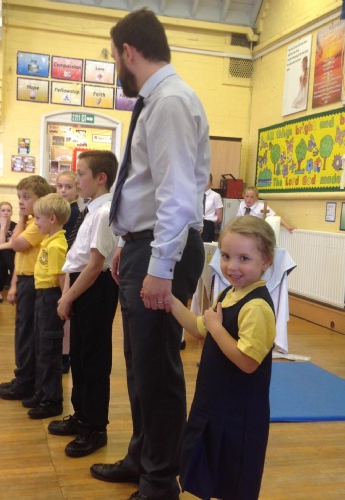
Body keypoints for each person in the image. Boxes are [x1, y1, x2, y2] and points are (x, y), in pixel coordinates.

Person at [89, 9, 210, 500]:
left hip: (165, 250)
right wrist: (127, 244)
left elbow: (177, 196)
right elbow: (145, 188)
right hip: (146, 246)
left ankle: (160, 482)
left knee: (157, 371)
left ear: (129, 52)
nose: (115, 65)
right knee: (140, 365)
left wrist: (159, 267)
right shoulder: (156, 100)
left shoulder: (171, 101)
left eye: (113, 56)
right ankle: (142, 458)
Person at [170, 216, 276, 499]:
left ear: (265, 261)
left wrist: (216, 328)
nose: (232, 266)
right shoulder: (230, 293)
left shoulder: (256, 307)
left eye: (244, 258)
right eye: (226, 256)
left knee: (235, 480)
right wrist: (171, 302)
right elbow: (199, 329)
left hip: (239, 414)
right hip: (215, 405)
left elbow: (247, 362)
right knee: (214, 474)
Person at [49, 150, 119, 458]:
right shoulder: (91, 210)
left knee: (93, 360)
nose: (77, 180)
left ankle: (95, 427)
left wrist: (67, 296)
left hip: (95, 287)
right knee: (78, 356)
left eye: (81, 174)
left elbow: (94, 265)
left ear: (101, 178)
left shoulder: (104, 213)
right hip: (82, 285)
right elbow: (77, 261)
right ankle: (81, 415)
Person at [0, 175, 53, 401]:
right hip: (24, 280)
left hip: (33, 282)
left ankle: (26, 381)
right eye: (19, 196)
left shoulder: (37, 225)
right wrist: (13, 286)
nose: (20, 201)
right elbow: (18, 260)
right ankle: (23, 376)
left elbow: (17, 245)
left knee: (27, 334)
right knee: (22, 332)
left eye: (26, 197)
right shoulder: (30, 223)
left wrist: (19, 218)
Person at [26, 193, 70, 419]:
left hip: (51, 299)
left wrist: (64, 302)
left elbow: (62, 278)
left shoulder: (57, 246)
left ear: (52, 218)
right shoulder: (49, 242)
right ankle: (42, 392)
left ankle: (52, 400)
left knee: (49, 351)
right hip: (42, 297)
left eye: (38, 218)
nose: (35, 223)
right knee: (40, 348)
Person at [55, 170, 82, 374]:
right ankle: (63, 353)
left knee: (65, 313)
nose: (63, 191)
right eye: (60, 186)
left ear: (77, 190)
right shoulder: (62, 210)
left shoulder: (73, 212)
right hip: (61, 263)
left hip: (67, 265)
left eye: (68, 187)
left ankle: (65, 356)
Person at [202, 173, 223, 242]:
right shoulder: (196, 194)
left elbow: (219, 218)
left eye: (207, 180)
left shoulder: (215, 196)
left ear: (211, 182)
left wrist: (210, 223)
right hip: (196, 224)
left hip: (208, 224)